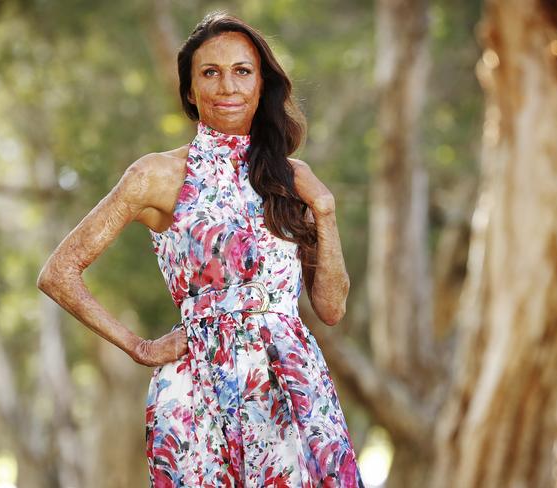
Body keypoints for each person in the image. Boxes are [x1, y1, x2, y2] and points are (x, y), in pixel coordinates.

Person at [37, 11, 364, 488]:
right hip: (199, 396)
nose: (227, 86)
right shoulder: (157, 175)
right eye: (210, 73)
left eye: (241, 71)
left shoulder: (291, 177)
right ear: (190, 91)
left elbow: (331, 309)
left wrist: (325, 209)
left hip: (292, 390)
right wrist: (140, 347)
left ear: (260, 84)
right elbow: (58, 272)